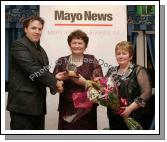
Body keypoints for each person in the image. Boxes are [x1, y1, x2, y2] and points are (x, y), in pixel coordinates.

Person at [6, 16, 63, 130]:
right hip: (22, 107)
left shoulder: (41, 50)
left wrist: (55, 81)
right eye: (33, 28)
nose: (37, 31)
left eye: (40, 29)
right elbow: (33, 69)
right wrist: (55, 82)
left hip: (38, 107)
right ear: (25, 29)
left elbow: (43, 72)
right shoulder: (19, 45)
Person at [53, 29, 103, 130]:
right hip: (67, 110)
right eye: (74, 43)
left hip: (87, 111)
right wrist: (58, 87)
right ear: (69, 44)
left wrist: (84, 82)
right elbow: (53, 85)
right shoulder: (62, 61)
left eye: (80, 43)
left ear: (85, 45)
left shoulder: (92, 60)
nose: (77, 45)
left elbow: (100, 86)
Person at [106, 41, 153, 130]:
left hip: (136, 116)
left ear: (130, 56)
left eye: (124, 53)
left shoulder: (139, 70)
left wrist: (130, 108)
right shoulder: (111, 71)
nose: (121, 56)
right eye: (118, 53)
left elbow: (147, 93)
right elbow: (105, 90)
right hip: (115, 118)